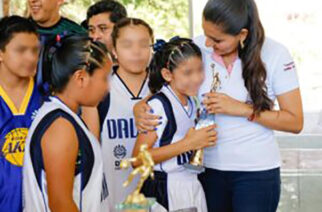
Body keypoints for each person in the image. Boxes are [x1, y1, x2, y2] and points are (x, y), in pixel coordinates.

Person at [134, 0, 304, 211]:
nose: (208, 43)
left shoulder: (275, 54)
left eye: (217, 39)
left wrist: (241, 109)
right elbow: (159, 93)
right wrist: (138, 109)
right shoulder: (197, 48)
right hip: (205, 171)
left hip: (256, 174)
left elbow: (295, 121)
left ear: (241, 35)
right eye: (205, 33)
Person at [23, 34, 112, 212]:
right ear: (80, 78)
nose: (108, 87)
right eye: (105, 78)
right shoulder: (60, 126)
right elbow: (61, 205)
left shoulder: (68, 117)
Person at [132, 37, 217, 212]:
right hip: (165, 188)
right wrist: (189, 144)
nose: (197, 78)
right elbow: (138, 160)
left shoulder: (191, 101)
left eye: (200, 70)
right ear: (167, 74)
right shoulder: (158, 106)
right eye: (187, 73)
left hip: (190, 183)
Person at [83, 17, 153, 211]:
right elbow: (91, 152)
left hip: (159, 195)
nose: (137, 51)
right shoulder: (99, 91)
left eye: (144, 44)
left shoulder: (164, 88)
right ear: (114, 50)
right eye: (127, 45)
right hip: (114, 199)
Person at [0, 15, 41, 212]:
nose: (31, 57)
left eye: (35, 50)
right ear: (0, 53)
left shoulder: (49, 98)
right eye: (21, 50)